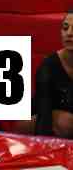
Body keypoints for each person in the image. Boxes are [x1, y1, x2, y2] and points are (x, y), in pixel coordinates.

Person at [33, 9, 73, 137]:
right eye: (65, 28)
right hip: (40, 117)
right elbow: (43, 116)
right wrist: (41, 145)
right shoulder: (48, 67)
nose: (69, 33)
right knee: (66, 122)